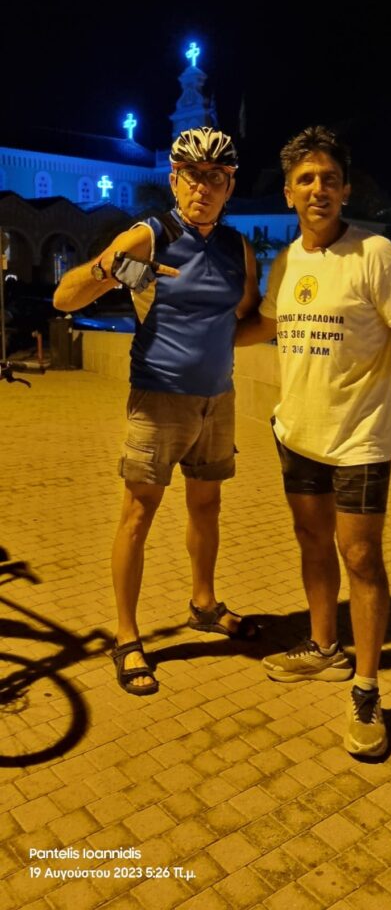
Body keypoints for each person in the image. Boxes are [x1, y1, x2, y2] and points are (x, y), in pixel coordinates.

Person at [236, 125, 391, 757]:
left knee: (361, 558)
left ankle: (367, 688)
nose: (318, 188)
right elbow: (264, 326)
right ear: (290, 193)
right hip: (296, 432)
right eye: (305, 179)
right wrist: (196, 335)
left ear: (345, 188)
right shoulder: (286, 262)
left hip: (359, 439)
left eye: (329, 178)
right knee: (312, 543)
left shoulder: (374, 253)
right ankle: (325, 647)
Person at [53, 127, 260, 695]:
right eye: (192, 175)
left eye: (215, 177)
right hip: (158, 396)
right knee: (138, 515)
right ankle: (126, 636)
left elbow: (243, 321)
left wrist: (311, 320)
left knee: (207, 507)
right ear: (174, 180)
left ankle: (204, 604)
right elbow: (64, 298)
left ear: (229, 186)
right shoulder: (149, 235)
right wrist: (110, 269)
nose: (202, 187)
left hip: (217, 398)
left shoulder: (237, 248)